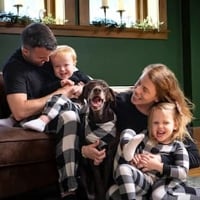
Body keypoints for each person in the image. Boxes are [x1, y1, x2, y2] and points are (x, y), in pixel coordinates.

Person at [81, 63, 200, 199]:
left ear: (157, 97)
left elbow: (195, 157)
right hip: (129, 176)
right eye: (138, 83)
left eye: (145, 90)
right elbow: (86, 120)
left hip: (160, 177)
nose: (137, 90)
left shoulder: (169, 116)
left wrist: (159, 158)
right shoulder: (119, 103)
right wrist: (84, 150)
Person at [2, 22, 88, 200]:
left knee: (82, 112)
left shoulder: (50, 57)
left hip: (65, 108)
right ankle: (70, 189)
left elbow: (79, 74)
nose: (48, 62)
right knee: (70, 116)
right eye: (43, 58)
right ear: (26, 51)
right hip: (33, 117)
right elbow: (19, 111)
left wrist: (85, 87)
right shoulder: (15, 69)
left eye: (50, 56)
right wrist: (61, 93)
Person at [108, 102, 200, 200]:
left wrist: (157, 166)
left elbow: (182, 173)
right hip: (144, 181)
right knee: (113, 190)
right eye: (156, 123)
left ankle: (195, 194)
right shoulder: (145, 138)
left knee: (158, 195)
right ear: (150, 125)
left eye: (166, 122)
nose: (160, 126)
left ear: (175, 125)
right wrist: (136, 157)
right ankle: (128, 152)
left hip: (163, 183)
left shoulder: (177, 147)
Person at [22, 45, 91, 132]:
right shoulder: (53, 80)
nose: (62, 69)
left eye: (66, 65)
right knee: (58, 96)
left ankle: (43, 120)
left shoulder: (79, 75)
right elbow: (44, 91)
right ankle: (24, 121)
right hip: (59, 114)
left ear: (74, 64)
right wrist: (59, 85)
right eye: (57, 66)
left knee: (60, 97)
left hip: (77, 107)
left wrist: (82, 88)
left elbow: (93, 86)